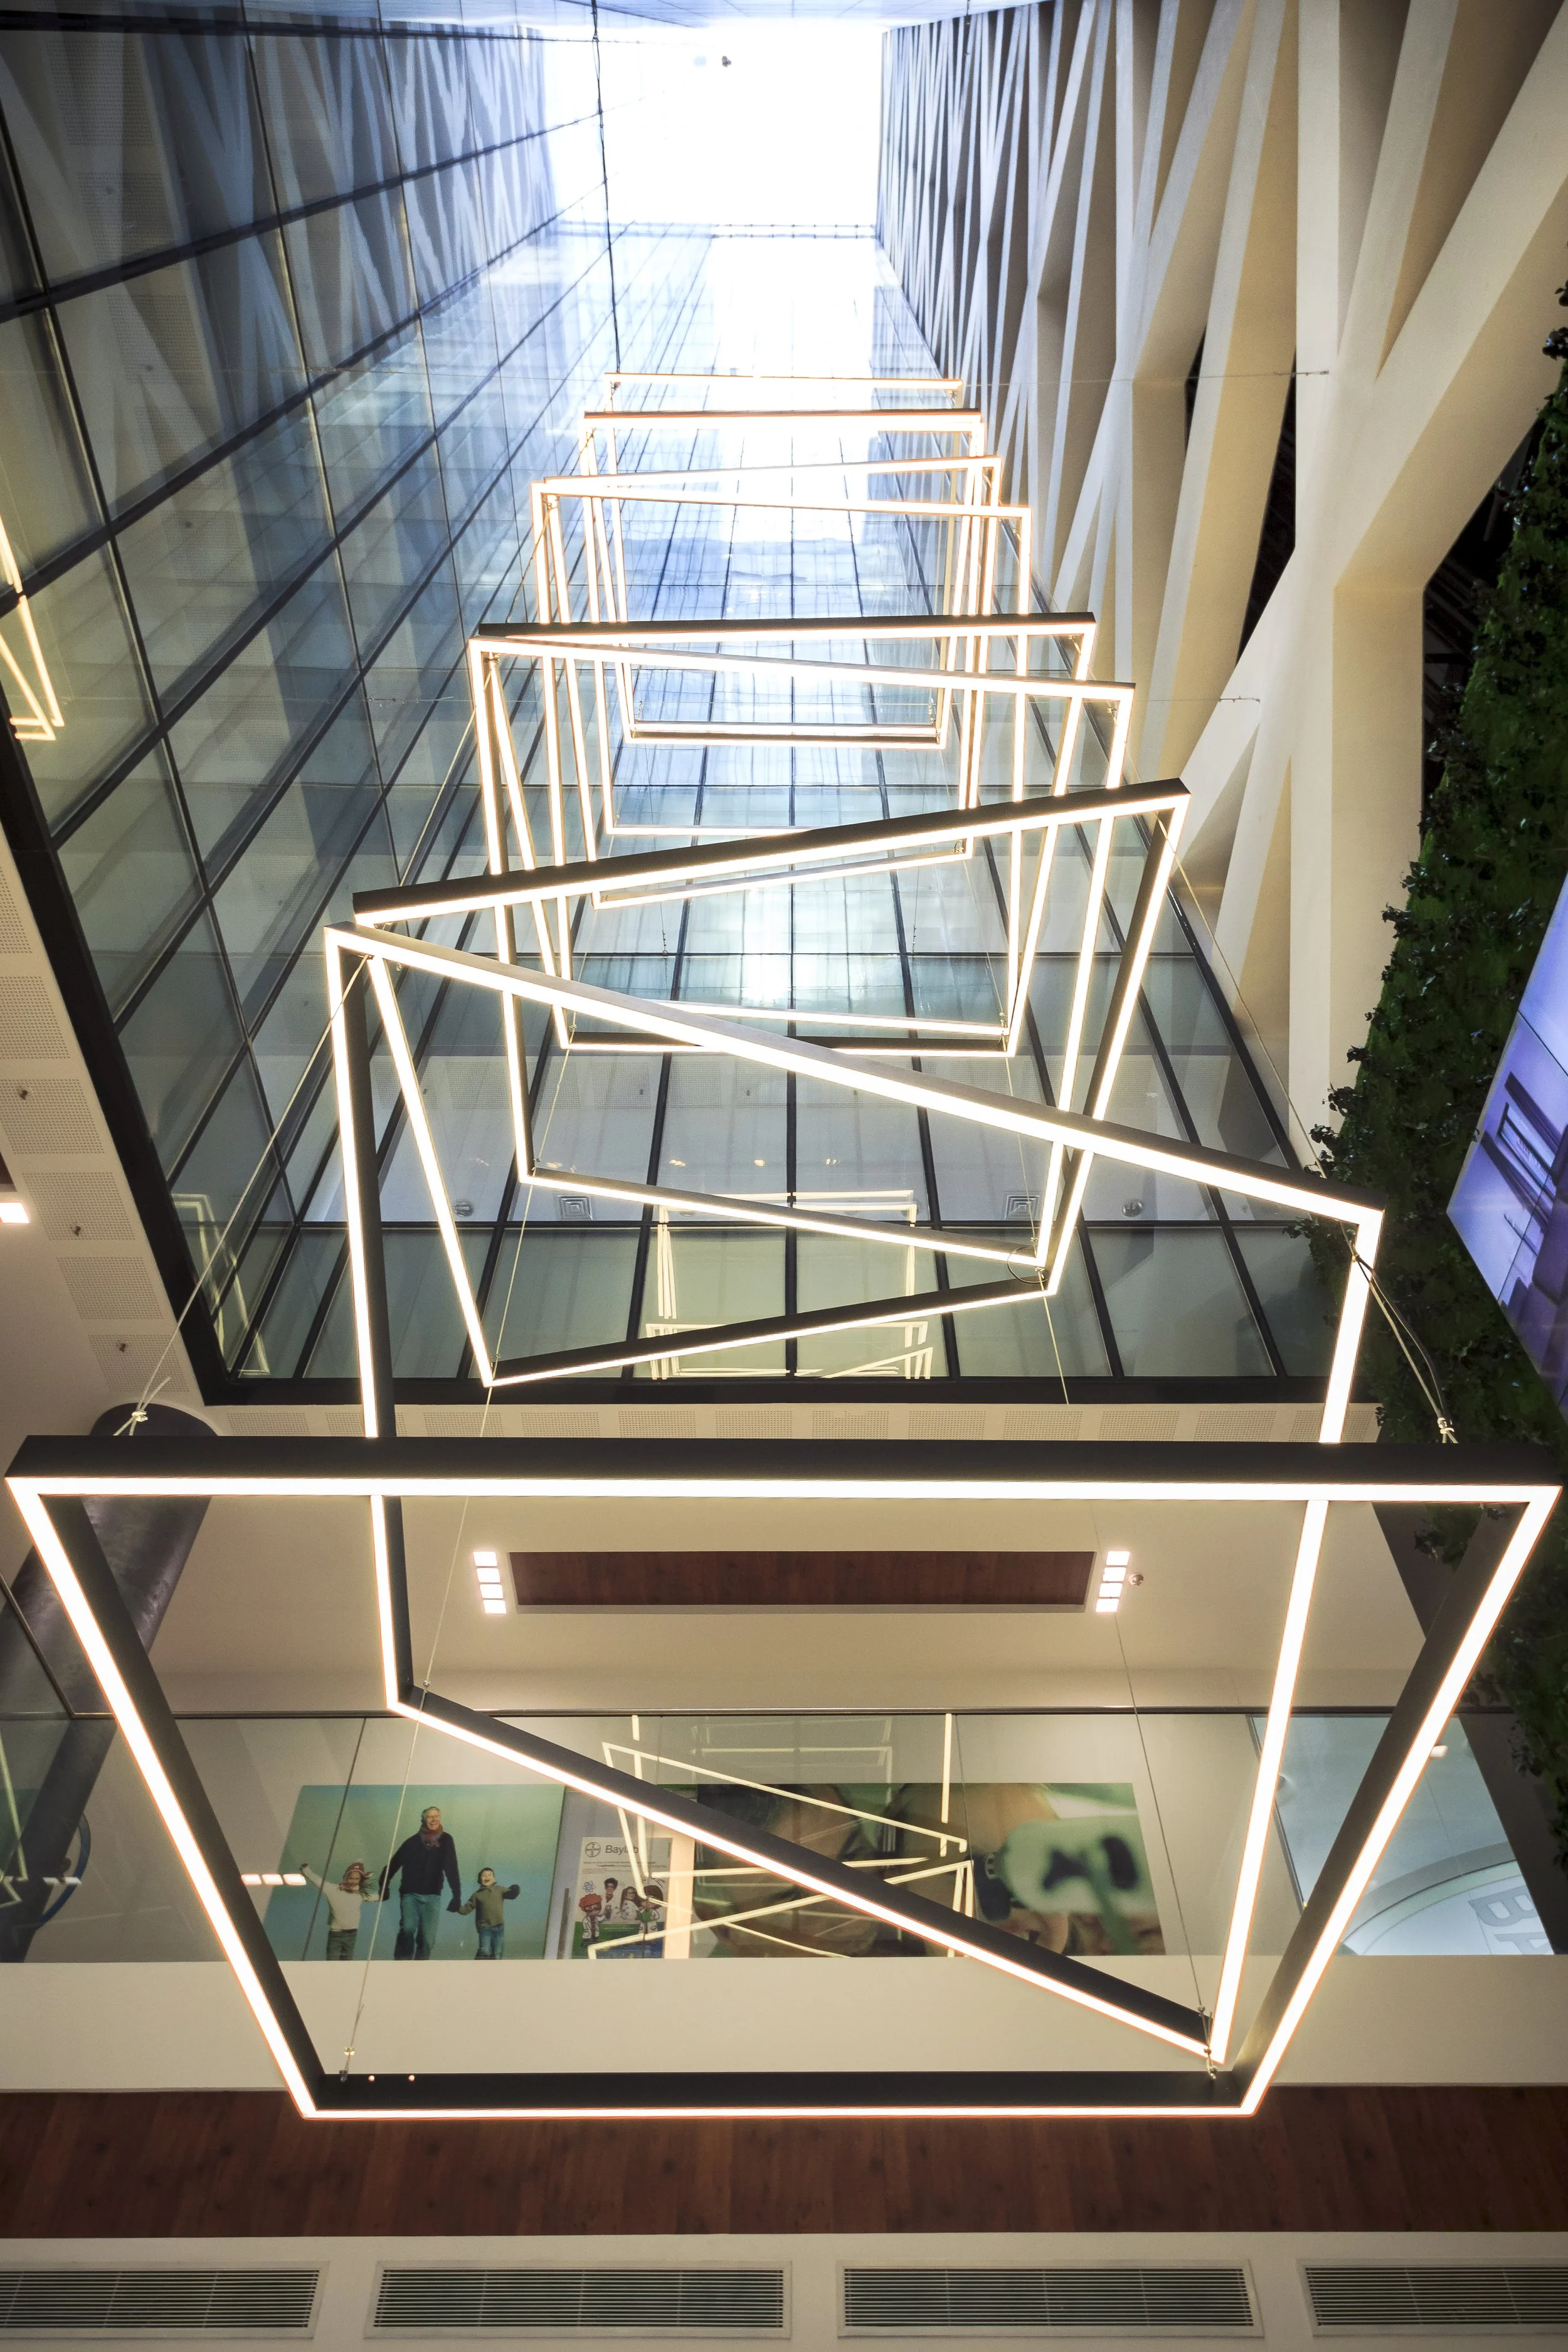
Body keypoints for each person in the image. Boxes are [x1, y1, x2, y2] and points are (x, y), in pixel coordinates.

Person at [379, 1805, 461, 1959]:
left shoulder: (447, 1840)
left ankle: (420, 1967)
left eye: (437, 1816)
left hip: (433, 1896)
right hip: (410, 1894)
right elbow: (392, 1865)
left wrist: (457, 1896)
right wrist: (384, 1887)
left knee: (427, 1940)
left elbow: (452, 1868)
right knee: (408, 1928)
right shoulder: (412, 1843)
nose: (434, 1820)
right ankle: (402, 1963)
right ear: (424, 1820)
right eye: (430, 1817)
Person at [302, 1858, 378, 1960]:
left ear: (360, 1880)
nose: (354, 1881)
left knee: (347, 1961)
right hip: (336, 1934)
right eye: (351, 1878)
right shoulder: (333, 1889)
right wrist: (306, 1870)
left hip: (352, 1934)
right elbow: (318, 1881)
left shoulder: (360, 1894)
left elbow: (376, 1897)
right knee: (332, 1961)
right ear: (346, 1877)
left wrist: (386, 1893)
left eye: (357, 1879)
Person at [459, 1866, 521, 1959]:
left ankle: (495, 1967)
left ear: (494, 1879)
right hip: (485, 1928)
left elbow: (511, 1895)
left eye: (489, 1875)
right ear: (480, 1880)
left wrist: (515, 1890)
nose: (487, 1877)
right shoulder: (477, 1895)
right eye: (484, 1875)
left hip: (499, 1927)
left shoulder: (500, 1890)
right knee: (485, 1951)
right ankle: (479, 1964)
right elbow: (466, 1910)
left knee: (498, 1953)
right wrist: (456, 1906)